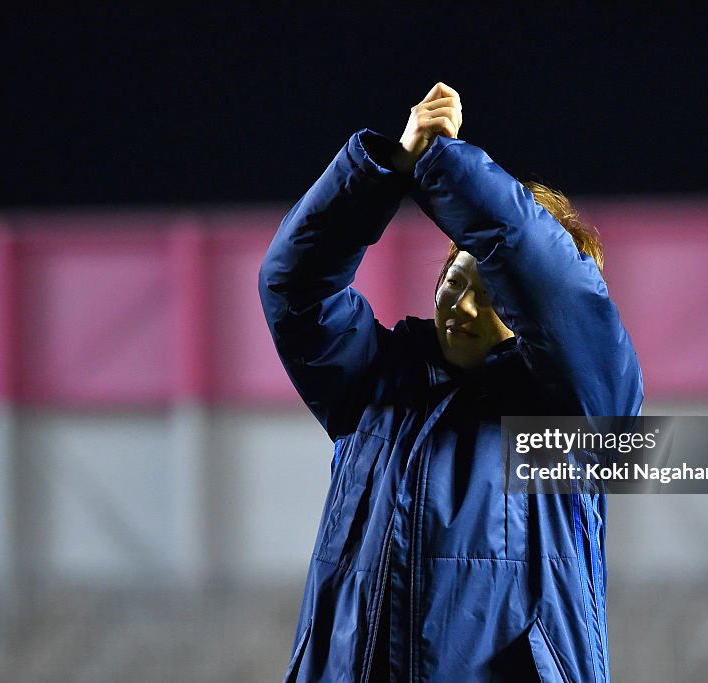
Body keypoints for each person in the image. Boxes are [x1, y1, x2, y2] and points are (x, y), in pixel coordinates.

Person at [259, 83, 643, 683]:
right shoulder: (373, 384)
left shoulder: (576, 412)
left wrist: (446, 167)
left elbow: (558, 294)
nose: (461, 307)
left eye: (491, 297)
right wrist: (385, 168)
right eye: (455, 282)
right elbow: (292, 285)